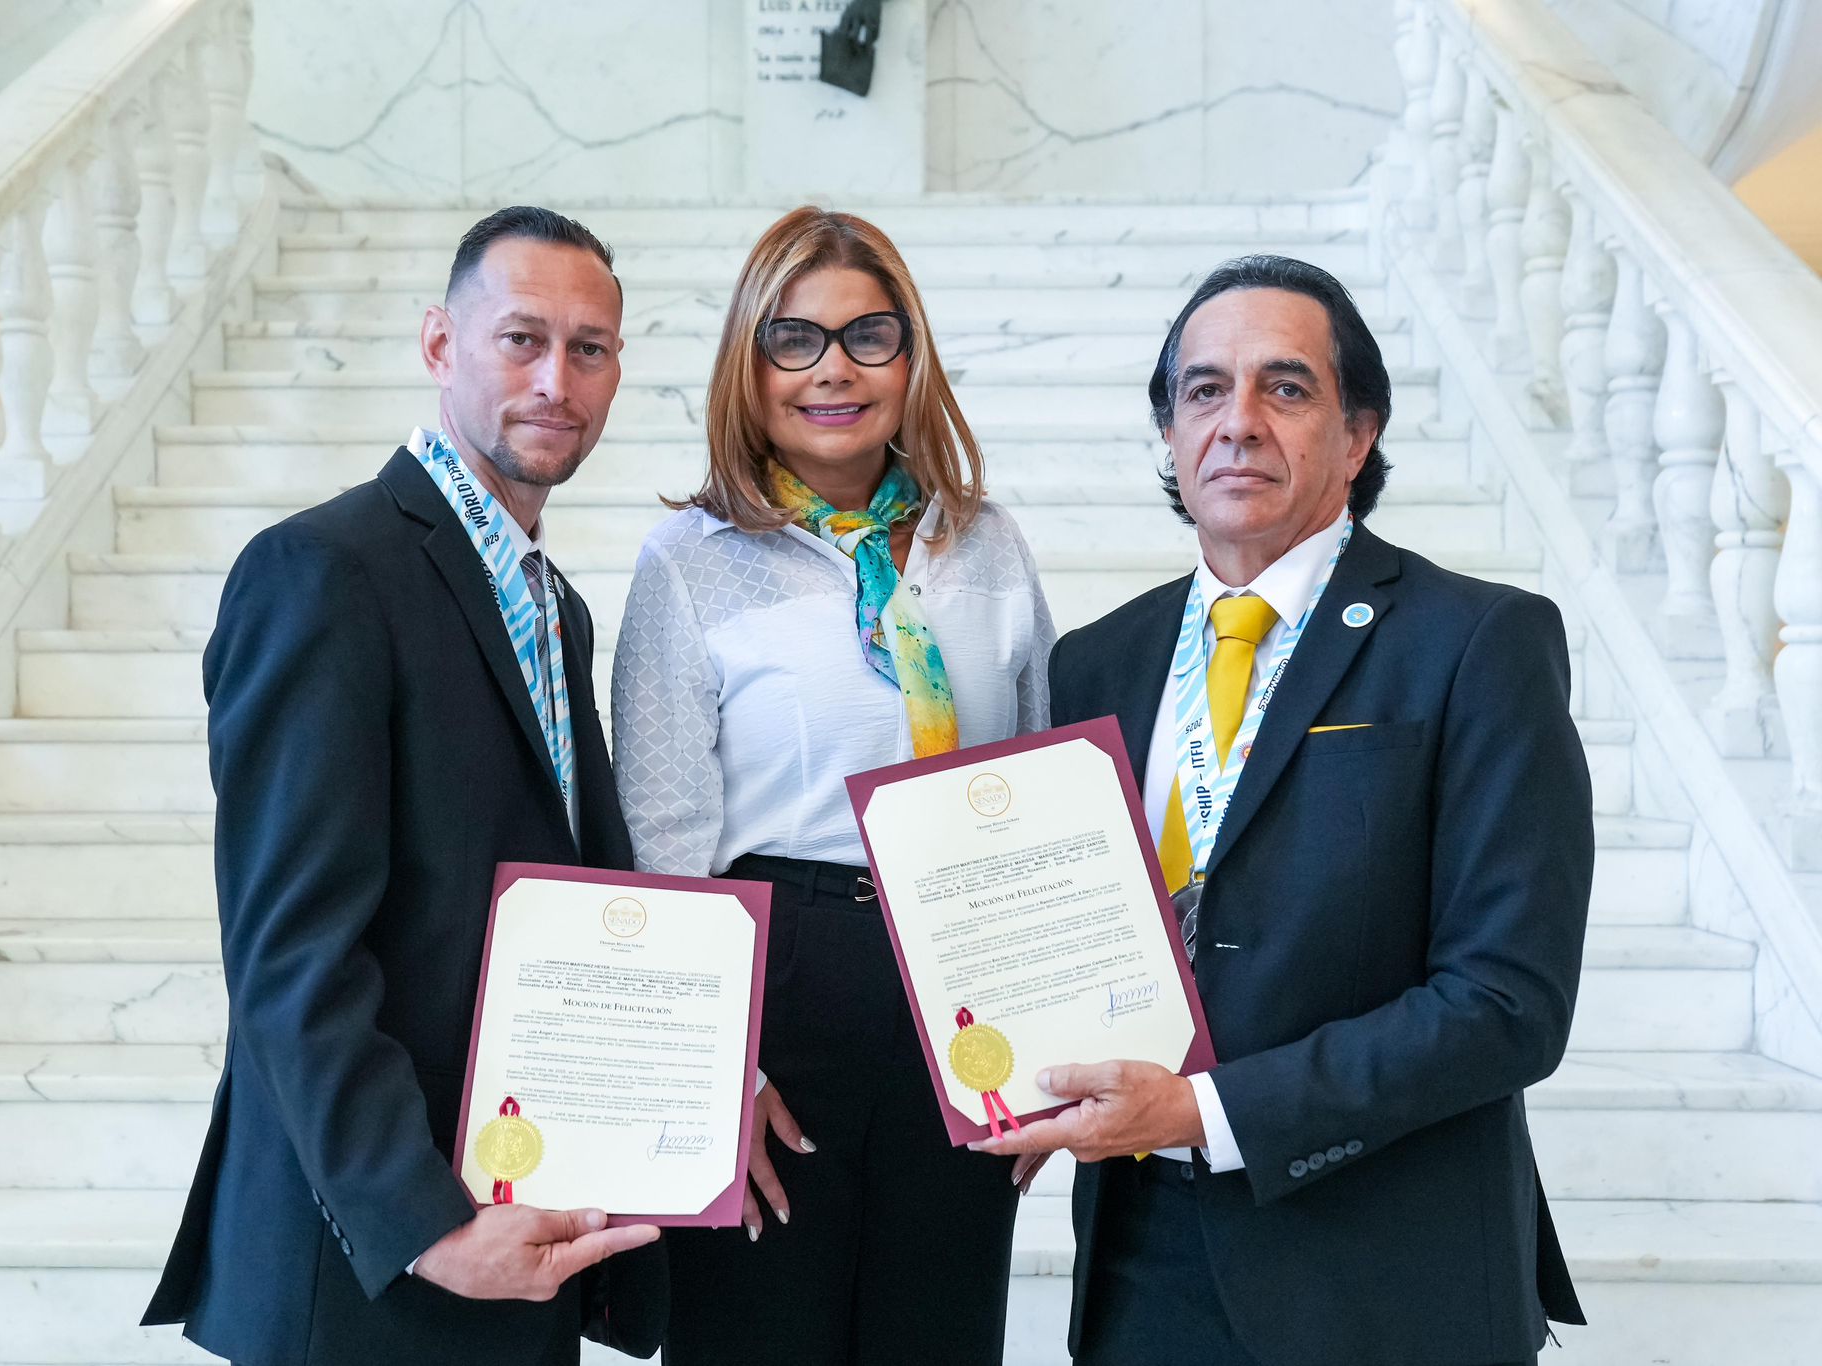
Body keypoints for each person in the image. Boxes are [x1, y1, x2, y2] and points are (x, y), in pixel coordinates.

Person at [973, 254, 1593, 1366]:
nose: (1238, 422)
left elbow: (1507, 1002)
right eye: (1203, 390)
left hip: (1383, 1276)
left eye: (1285, 387)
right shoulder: (1094, 664)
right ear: (1168, 432)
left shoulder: (1475, 644)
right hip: (1138, 1269)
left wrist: (1202, 1114)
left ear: (1357, 434)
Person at [142, 206, 665, 1366]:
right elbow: (289, 954)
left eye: (590, 350)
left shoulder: (554, 605)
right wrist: (428, 1228)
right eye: (519, 338)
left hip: (517, 1228)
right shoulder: (324, 571)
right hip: (375, 1266)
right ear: (439, 344)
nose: (554, 379)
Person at [609, 206, 1056, 1365]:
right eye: (793, 340)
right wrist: (721, 1063)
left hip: (958, 989)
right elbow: (661, 834)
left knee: (939, 1336)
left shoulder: (986, 543)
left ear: (912, 359)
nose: (834, 371)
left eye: (869, 335)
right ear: (746, 367)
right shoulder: (690, 562)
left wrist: (1051, 1026)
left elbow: (1047, 787)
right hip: (781, 983)